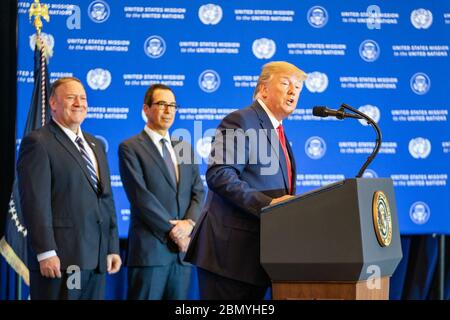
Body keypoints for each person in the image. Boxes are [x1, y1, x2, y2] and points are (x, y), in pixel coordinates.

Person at [185, 61, 307, 299]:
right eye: (285, 83)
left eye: (298, 87)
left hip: (258, 259)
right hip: (230, 258)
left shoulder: (277, 131)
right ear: (263, 89)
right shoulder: (241, 120)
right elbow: (220, 174)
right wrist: (269, 206)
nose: (293, 91)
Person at [17, 77, 122, 299]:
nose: (79, 103)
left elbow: (105, 200)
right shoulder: (38, 143)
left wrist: (112, 247)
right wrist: (46, 252)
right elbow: (35, 203)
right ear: (53, 104)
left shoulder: (96, 145)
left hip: (96, 261)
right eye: (71, 97)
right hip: (63, 261)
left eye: (83, 98)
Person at [119, 84, 205, 300]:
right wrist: (174, 232)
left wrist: (188, 224)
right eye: (161, 104)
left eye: (172, 105)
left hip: (181, 254)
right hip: (150, 253)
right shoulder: (130, 147)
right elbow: (141, 197)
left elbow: (198, 192)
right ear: (146, 109)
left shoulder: (184, 147)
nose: (168, 110)